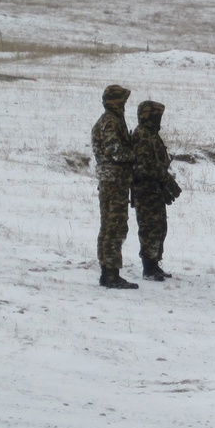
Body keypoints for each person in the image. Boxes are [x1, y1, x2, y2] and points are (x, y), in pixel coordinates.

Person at [90, 84, 139, 289]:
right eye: (123, 101)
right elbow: (115, 151)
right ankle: (111, 274)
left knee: (109, 226)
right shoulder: (110, 122)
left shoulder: (107, 120)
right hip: (114, 181)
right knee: (115, 226)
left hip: (111, 180)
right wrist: (135, 154)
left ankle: (107, 272)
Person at [131, 100, 181, 281]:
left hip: (155, 189)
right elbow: (145, 165)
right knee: (149, 227)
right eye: (156, 116)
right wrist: (166, 179)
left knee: (160, 227)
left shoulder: (151, 134)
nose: (159, 119)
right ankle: (149, 267)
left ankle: (154, 262)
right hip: (146, 189)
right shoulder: (142, 135)